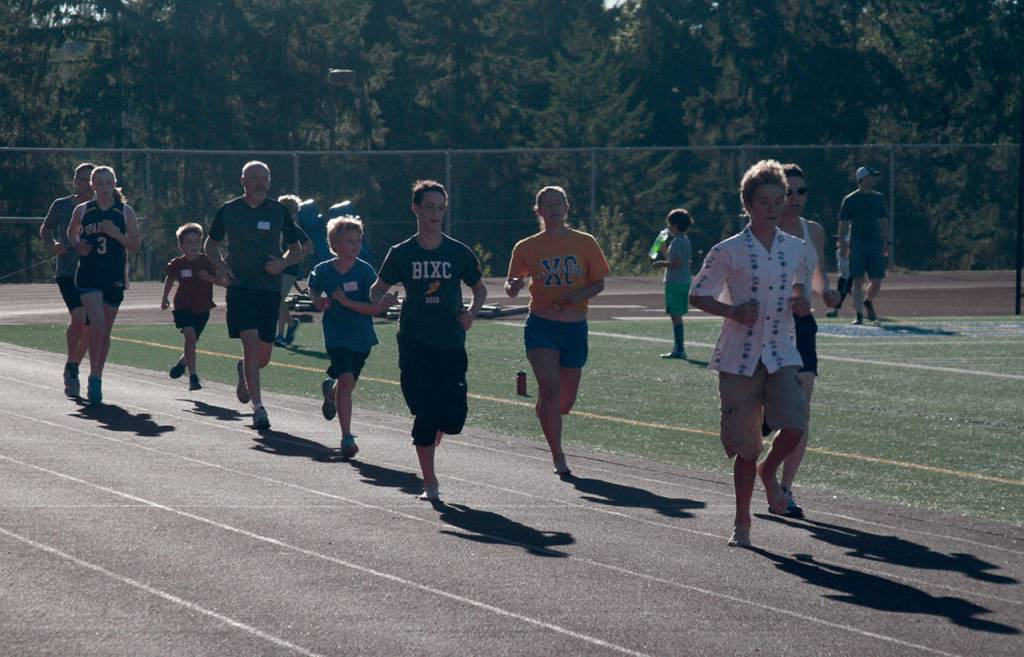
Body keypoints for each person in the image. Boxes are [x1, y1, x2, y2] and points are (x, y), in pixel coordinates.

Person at [689, 159, 811, 548]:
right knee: (745, 446)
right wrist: (732, 311)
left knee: (794, 426)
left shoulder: (796, 249)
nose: (773, 208)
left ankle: (769, 472)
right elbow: (697, 294)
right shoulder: (728, 250)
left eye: (780, 199)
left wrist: (803, 302)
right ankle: (742, 521)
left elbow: (799, 291)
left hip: (781, 350)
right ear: (748, 204)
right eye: (764, 201)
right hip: (739, 357)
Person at [370, 180, 487, 501]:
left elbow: (480, 289)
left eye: (440, 207)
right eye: (430, 207)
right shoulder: (402, 252)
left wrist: (472, 313)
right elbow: (376, 288)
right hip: (414, 340)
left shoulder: (457, 251)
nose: (436, 213)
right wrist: (382, 301)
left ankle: (435, 428)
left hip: (451, 342)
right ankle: (430, 482)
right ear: (416, 209)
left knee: (452, 419)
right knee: (424, 411)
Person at [505, 186, 610, 476]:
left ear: (567, 208)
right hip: (541, 324)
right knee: (550, 389)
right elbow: (513, 285)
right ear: (538, 211)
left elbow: (599, 282)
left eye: (557, 204)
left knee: (564, 402)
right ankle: (558, 455)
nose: (552, 209)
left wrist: (578, 296)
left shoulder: (585, 242)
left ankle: (547, 410)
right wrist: (513, 286)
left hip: (574, 327)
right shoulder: (526, 247)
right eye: (546, 205)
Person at [204, 161, 307, 430]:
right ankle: (259, 408)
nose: (261, 183)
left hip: (269, 289)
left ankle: (244, 371)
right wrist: (222, 267)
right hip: (240, 287)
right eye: (255, 178)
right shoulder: (229, 210)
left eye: (265, 178)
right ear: (243, 181)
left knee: (262, 355)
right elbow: (210, 245)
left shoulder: (278, 211)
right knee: (250, 344)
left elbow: (298, 248)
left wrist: (283, 264)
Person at [772, 164, 840, 517]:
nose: (795, 199)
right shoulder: (762, 230)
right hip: (768, 327)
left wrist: (825, 292)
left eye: (802, 192)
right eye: (789, 192)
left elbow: (817, 274)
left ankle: (786, 488)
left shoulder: (813, 230)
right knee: (762, 414)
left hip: (802, 326)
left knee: (801, 409)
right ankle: (766, 468)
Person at [309, 216, 395, 459]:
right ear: (335, 245)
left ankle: (330, 392)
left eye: (358, 240)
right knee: (346, 380)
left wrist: (383, 303)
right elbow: (313, 285)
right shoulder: (324, 270)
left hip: (362, 338)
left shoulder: (365, 271)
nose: (355, 245)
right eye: (349, 241)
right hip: (337, 337)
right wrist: (317, 299)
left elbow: (373, 308)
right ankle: (347, 437)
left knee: (347, 384)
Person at [66, 165, 142, 405]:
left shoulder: (124, 211)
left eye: (109, 183)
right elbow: (72, 232)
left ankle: (96, 375)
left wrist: (115, 234)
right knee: (96, 324)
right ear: (92, 186)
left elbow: (135, 245)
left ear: (114, 184)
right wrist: (78, 245)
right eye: (100, 184)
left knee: (104, 331)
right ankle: (92, 378)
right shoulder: (83, 210)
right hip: (89, 276)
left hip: (114, 277)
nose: (105, 188)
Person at [40, 162, 95, 397]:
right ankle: (72, 369)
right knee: (79, 318)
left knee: (92, 328)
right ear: (75, 181)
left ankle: (73, 365)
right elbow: (46, 228)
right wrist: (53, 245)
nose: (87, 184)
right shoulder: (62, 205)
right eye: (83, 179)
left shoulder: (100, 208)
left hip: (94, 273)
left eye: (90, 180)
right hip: (67, 272)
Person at [161, 223, 223, 391]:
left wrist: (208, 278)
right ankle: (193, 377)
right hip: (183, 306)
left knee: (192, 341)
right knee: (190, 337)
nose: (193, 246)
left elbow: (222, 281)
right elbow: (170, 279)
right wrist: (165, 297)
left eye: (196, 242)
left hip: (203, 308)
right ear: (181, 245)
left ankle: (183, 362)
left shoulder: (207, 261)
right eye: (189, 242)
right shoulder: (177, 264)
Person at [837, 166, 890, 325]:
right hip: (857, 245)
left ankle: (868, 301)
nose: (873, 179)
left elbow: (884, 221)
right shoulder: (850, 200)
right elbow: (844, 224)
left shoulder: (878, 198)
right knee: (858, 280)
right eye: (870, 177)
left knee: (877, 280)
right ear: (863, 179)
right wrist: (843, 244)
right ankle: (859, 315)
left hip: (875, 244)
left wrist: (887, 242)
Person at [652, 208, 693, 359]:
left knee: (675, 315)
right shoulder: (683, 240)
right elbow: (672, 258)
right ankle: (678, 347)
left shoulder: (678, 241)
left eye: (670, 225)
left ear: (675, 225)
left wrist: (660, 264)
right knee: (675, 314)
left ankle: (680, 349)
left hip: (676, 282)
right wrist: (662, 246)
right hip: (681, 280)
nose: (668, 228)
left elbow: (676, 263)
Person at [274, 194, 313, 347]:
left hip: (289, 268)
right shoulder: (274, 226)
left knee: (278, 298)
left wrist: (297, 257)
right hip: (275, 266)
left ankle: (280, 335)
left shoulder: (292, 228)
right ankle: (291, 324)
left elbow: (309, 245)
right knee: (275, 299)